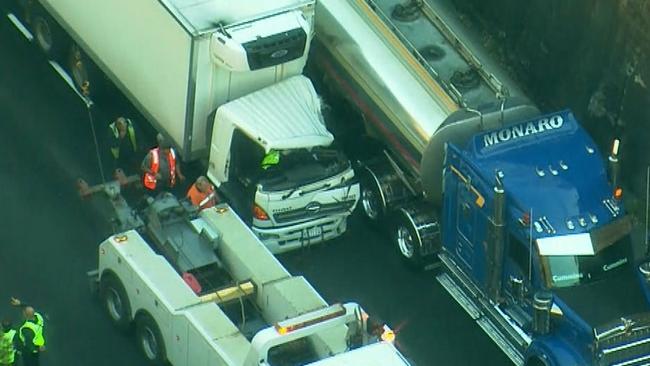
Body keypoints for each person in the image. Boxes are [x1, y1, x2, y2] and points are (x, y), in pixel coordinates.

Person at [10, 298, 44, 366]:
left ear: (25, 315)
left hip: (30, 353)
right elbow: (29, 308)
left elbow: (29, 344)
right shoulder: (39, 317)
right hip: (38, 347)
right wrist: (20, 304)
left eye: (23, 312)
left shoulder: (26, 328)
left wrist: (19, 348)